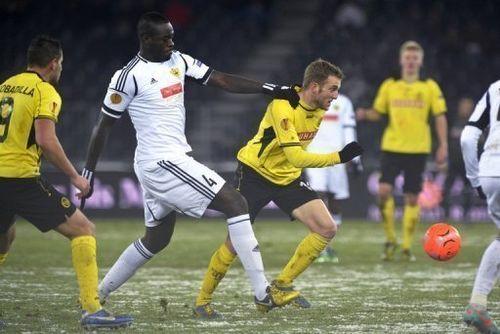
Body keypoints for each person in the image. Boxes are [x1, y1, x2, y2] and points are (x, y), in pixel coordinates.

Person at [81, 12, 301, 316]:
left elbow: (221, 79)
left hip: (171, 159)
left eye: (172, 35)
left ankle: (96, 295)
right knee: (237, 204)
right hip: (161, 161)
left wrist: (271, 89)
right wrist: (88, 173)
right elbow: (103, 125)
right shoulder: (128, 76)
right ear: (146, 39)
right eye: (165, 37)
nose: (172, 41)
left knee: (156, 240)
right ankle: (263, 294)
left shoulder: (179, 61)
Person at [194, 58, 363, 317]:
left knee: (327, 228)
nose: (336, 95)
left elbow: (293, 161)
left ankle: (281, 285)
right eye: (332, 89)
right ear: (315, 87)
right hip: (254, 175)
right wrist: (338, 158)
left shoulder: (319, 108)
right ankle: (202, 302)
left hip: (288, 179)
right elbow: (296, 156)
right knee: (234, 243)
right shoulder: (282, 105)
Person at [0, 35, 132, 329]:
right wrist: (75, 177)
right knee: (83, 229)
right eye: (61, 64)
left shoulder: (5, 86)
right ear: (54, 63)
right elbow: (46, 140)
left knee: (5, 237)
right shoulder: (45, 91)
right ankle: (91, 309)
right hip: (20, 179)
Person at [357, 40, 448, 261]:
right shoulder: (390, 85)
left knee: (412, 198)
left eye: (414, 58)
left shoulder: (429, 86)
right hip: (392, 146)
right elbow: (378, 112)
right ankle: (390, 239)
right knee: (383, 192)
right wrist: (365, 114)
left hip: (418, 148)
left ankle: (406, 245)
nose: (410, 61)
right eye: (407, 58)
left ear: (420, 61)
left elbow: (440, 116)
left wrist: (443, 144)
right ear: (401, 60)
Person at [461, 80, 500, 333]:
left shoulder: (495, 88)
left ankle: (477, 305)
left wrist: (475, 179)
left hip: (491, 170)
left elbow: (467, 138)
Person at [305, 92, 362, 263]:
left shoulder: (344, 102)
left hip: (338, 157)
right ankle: (320, 247)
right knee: (318, 198)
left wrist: (355, 158)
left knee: (335, 203)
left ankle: (328, 245)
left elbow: (349, 129)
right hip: (314, 155)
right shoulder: (308, 99)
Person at [442, 97, 474, 220]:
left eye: (467, 106)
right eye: (463, 106)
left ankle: (467, 216)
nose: (464, 109)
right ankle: (445, 215)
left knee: (468, 190)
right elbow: (446, 141)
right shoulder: (453, 121)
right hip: (453, 162)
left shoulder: (475, 123)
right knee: (446, 189)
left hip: (468, 164)